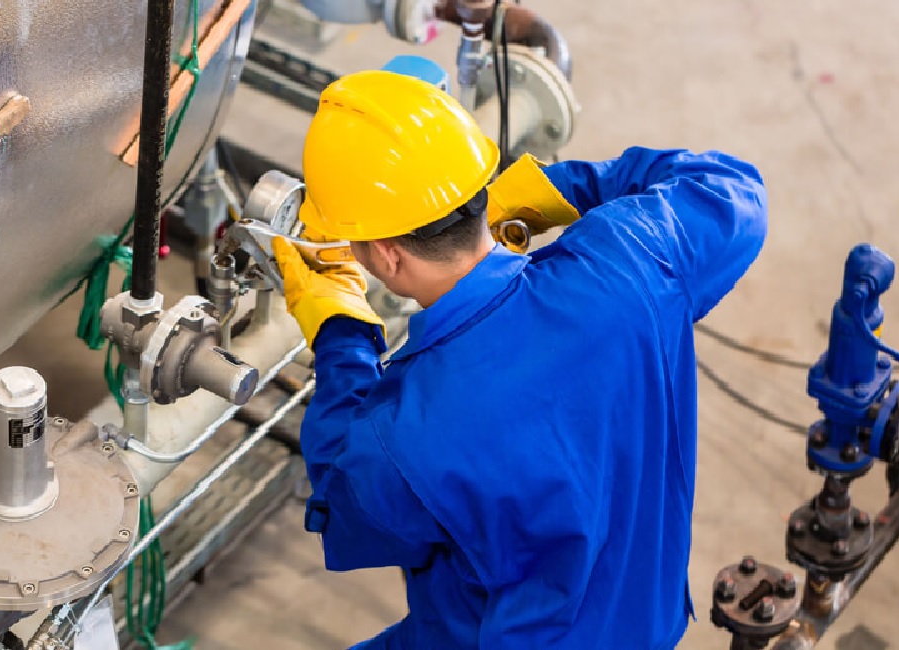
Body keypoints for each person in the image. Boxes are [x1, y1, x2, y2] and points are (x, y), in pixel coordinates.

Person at [271, 70, 767, 649]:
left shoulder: (406, 434)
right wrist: (556, 191)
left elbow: (341, 501)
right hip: (644, 619)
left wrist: (341, 329)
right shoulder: (632, 259)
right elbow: (730, 186)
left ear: (385, 255)